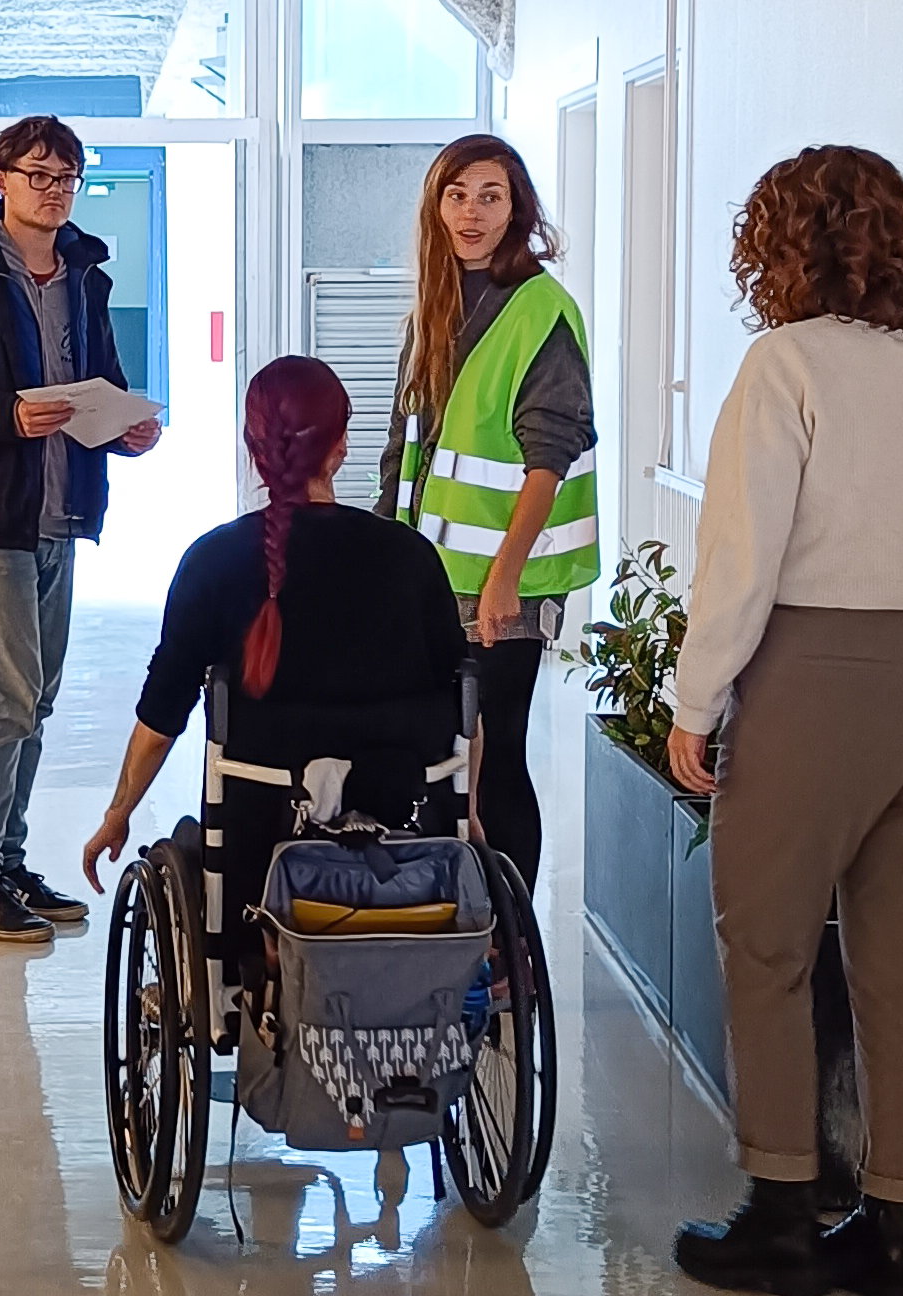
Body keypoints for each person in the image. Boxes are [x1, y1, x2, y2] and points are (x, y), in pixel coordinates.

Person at [663, 146, 903, 1295]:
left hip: (822, 665)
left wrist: (696, 702)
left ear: (779, 248)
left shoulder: (787, 367)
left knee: (770, 942)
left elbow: (741, 557)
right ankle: (896, 1238)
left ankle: (782, 1213)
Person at [83, 356, 466, 932]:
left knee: (190, 847)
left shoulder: (214, 562)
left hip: (258, 860)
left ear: (253, 445)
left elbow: (163, 715)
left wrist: (118, 815)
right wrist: (471, 815)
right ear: (341, 443)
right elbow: (463, 704)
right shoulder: (411, 559)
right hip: (409, 843)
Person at [0, 114, 162, 944]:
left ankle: (6, 861)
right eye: (38, 175)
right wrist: (6, 416)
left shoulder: (86, 275)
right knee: (6, 696)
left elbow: (103, 379)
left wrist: (128, 425)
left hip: (62, 509)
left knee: (39, 699)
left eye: (67, 179)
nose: (54, 191)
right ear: (0, 179)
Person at [375, 134, 597, 891]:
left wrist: (505, 579)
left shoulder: (541, 310)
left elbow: (550, 455)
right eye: (457, 194)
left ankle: (513, 950)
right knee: (439, 755)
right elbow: (404, 449)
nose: (472, 213)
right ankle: (455, 924)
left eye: (491, 196)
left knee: (496, 750)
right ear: (435, 206)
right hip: (431, 575)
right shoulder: (432, 308)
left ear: (517, 208)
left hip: (507, 581)